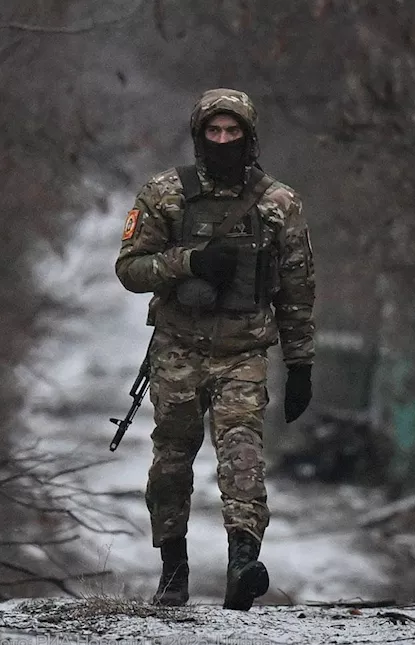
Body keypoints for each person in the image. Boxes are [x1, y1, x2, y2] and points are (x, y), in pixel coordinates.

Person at [114, 88, 316, 610]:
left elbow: (296, 289)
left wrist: (300, 364)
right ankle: (173, 569)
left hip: (243, 350)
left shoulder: (279, 204)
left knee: (242, 453)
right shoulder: (164, 195)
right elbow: (130, 269)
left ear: (249, 137)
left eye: (233, 132)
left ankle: (243, 564)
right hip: (178, 349)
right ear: (200, 135)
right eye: (214, 131)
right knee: (172, 463)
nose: (223, 141)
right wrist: (189, 263)